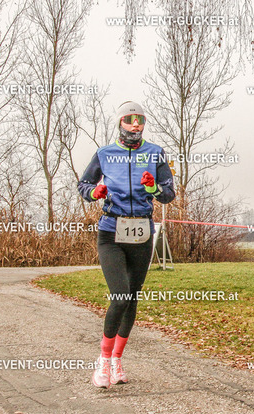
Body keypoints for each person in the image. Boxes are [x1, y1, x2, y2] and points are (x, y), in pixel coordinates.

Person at [77, 101, 175, 388]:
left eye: (140, 119)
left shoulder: (155, 153)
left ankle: (117, 360)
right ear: (120, 122)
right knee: (120, 295)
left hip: (142, 233)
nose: (136, 124)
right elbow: (83, 185)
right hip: (111, 231)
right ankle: (103, 361)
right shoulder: (105, 154)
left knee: (131, 298)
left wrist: (153, 188)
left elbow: (169, 193)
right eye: (130, 119)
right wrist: (95, 192)